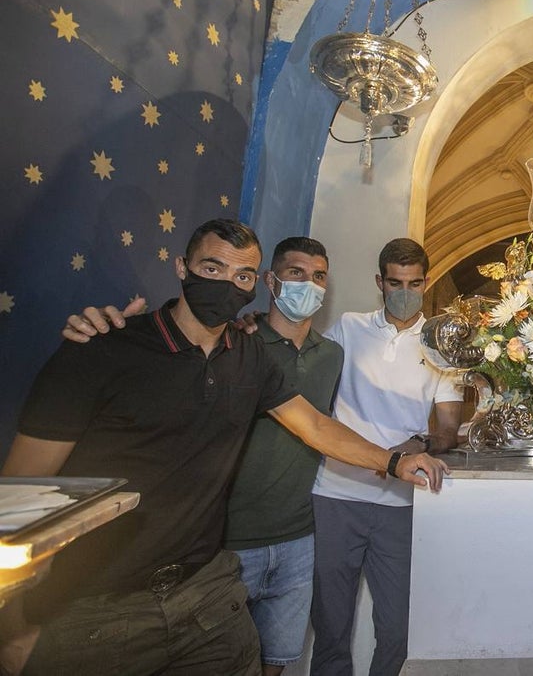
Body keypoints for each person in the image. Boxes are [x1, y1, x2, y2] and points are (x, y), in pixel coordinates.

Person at [0, 220, 449, 676]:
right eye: (212, 268)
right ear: (182, 267)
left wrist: (394, 461)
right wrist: (10, 625)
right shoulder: (102, 348)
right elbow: (19, 497)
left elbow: (314, 425)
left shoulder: (249, 356)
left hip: (204, 590)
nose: (226, 284)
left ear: (254, 284)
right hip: (99, 604)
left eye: (241, 276)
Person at [57, 236, 345, 676]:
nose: (309, 285)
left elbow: (321, 428)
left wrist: (398, 460)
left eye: (318, 277)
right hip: (223, 543)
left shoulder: (329, 354)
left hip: (292, 538)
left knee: (272, 658)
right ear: (271, 281)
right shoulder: (241, 342)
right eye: (296, 274)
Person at [310, 238, 464, 676]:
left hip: (401, 504)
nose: (405, 291)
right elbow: (309, 388)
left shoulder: (440, 345)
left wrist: (420, 442)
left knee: (398, 629)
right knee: (330, 627)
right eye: (395, 282)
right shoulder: (347, 327)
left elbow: (449, 431)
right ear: (380, 281)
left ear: (426, 282)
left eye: (414, 283)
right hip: (336, 495)